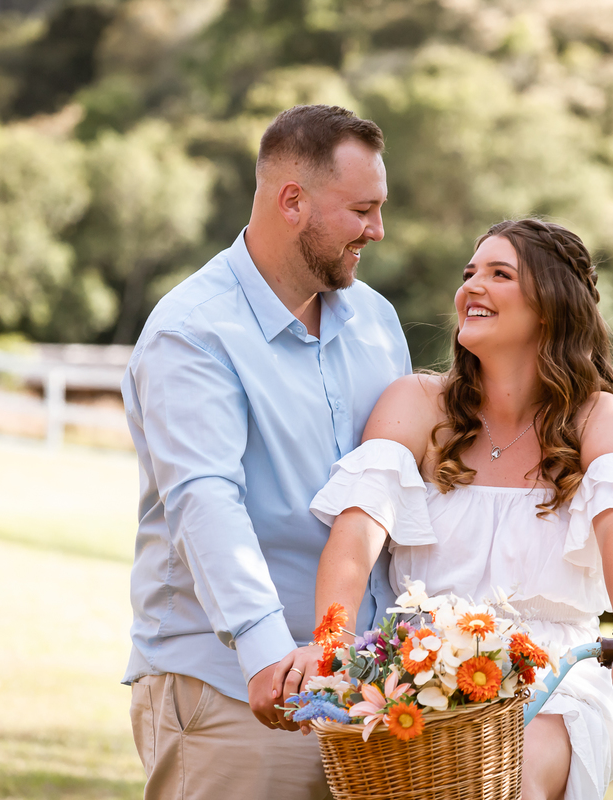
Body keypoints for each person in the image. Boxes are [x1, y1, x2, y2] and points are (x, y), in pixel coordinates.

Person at [276, 218, 613, 800]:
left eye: (500, 274)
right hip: (424, 664)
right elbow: (356, 535)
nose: (472, 286)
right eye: (470, 273)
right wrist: (331, 640)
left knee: (511, 778)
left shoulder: (597, 418)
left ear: (550, 306)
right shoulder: (416, 402)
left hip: (555, 675)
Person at [120, 104, 411, 800]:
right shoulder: (194, 333)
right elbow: (205, 502)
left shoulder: (376, 320)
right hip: (236, 691)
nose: (377, 229)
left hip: (364, 695)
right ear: (293, 202)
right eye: (362, 210)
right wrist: (266, 655)